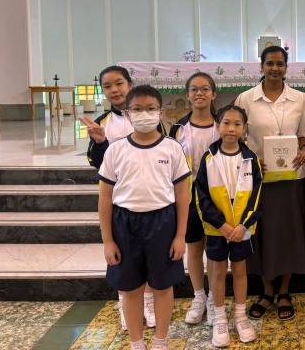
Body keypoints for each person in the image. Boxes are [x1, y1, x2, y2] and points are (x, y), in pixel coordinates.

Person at [98, 85, 191, 350]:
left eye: (151, 109)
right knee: (130, 289)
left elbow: (182, 194)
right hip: (125, 224)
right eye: (137, 109)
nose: (144, 114)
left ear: (161, 113)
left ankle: (161, 341)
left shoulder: (172, 148)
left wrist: (180, 236)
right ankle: (136, 343)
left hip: (163, 223)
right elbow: (105, 197)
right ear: (128, 114)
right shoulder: (115, 150)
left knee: (163, 287)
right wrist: (108, 240)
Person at [80, 65, 165, 331]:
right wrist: (100, 142)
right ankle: (125, 301)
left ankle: (148, 301)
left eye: (119, 83)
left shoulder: (148, 115)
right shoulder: (103, 121)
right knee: (123, 258)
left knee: (148, 255)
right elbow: (98, 163)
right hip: (120, 202)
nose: (114, 90)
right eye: (107, 86)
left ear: (130, 85)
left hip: (149, 197)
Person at [234, 45, 305, 321]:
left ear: (286, 68)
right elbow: (238, 136)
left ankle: (284, 291)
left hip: (292, 177)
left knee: (289, 233)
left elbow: (304, 134)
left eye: (280, 64)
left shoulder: (300, 98)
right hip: (260, 177)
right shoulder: (246, 98)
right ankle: (266, 291)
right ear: (262, 66)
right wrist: (252, 159)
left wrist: (303, 149)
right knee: (263, 233)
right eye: (270, 63)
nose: (275, 68)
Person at [195, 105, 262, 347]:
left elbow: (257, 197)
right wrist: (221, 224)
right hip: (217, 228)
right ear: (217, 126)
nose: (231, 129)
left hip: (242, 229)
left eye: (237, 124)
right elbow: (202, 197)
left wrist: (244, 226)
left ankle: (241, 316)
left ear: (244, 128)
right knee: (218, 271)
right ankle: (220, 317)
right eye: (226, 123)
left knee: (240, 270)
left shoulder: (251, 159)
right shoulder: (208, 158)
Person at [168, 72, 219, 326]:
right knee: (195, 247)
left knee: (214, 248)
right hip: (188, 195)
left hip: (217, 195)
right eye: (195, 89)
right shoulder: (178, 129)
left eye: (205, 89)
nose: (200, 93)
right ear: (187, 95)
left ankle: (214, 298)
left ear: (213, 94)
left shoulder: (223, 125)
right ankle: (199, 296)